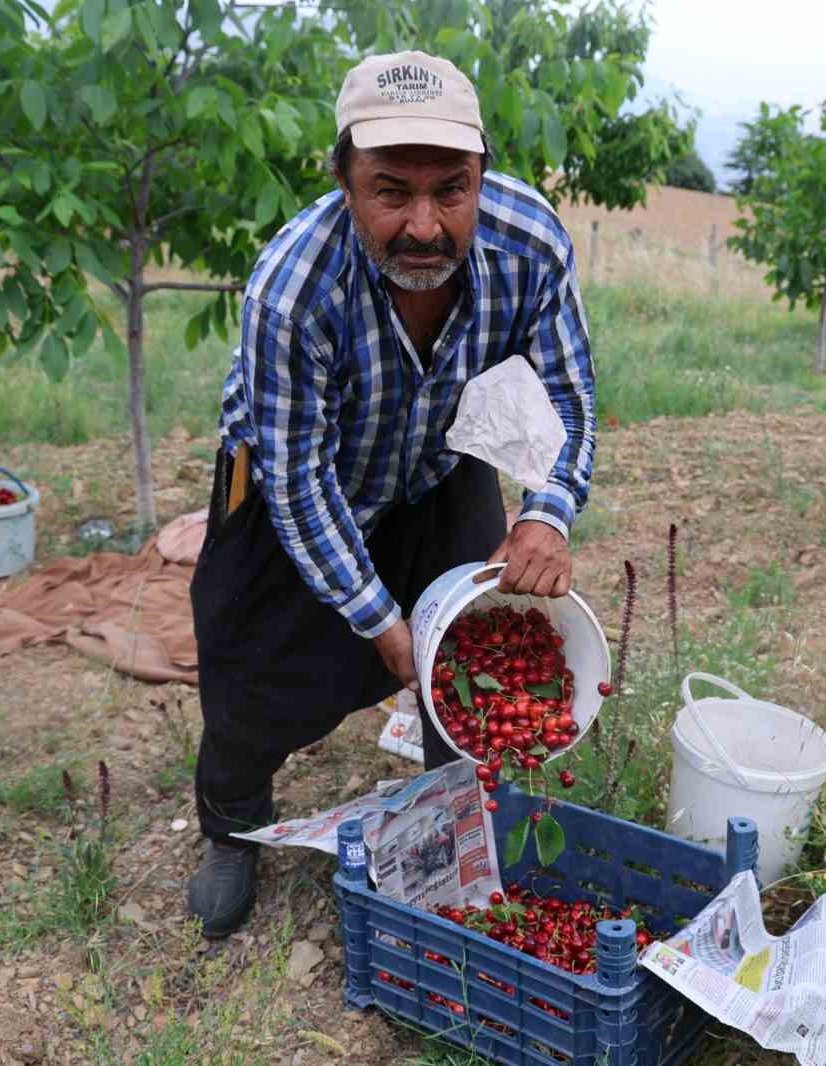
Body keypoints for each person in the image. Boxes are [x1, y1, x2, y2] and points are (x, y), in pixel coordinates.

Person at [186, 50, 595, 939]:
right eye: (390, 191)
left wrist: (547, 510)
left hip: (440, 458)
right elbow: (297, 480)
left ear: (483, 173)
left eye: (452, 190)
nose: (424, 225)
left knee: (470, 638)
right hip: (304, 480)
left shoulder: (530, 242)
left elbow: (567, 395)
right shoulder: (293, 290)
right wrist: (381, 623)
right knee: (257, 674)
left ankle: (459, 800)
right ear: (343, 179)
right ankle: (231, 825)